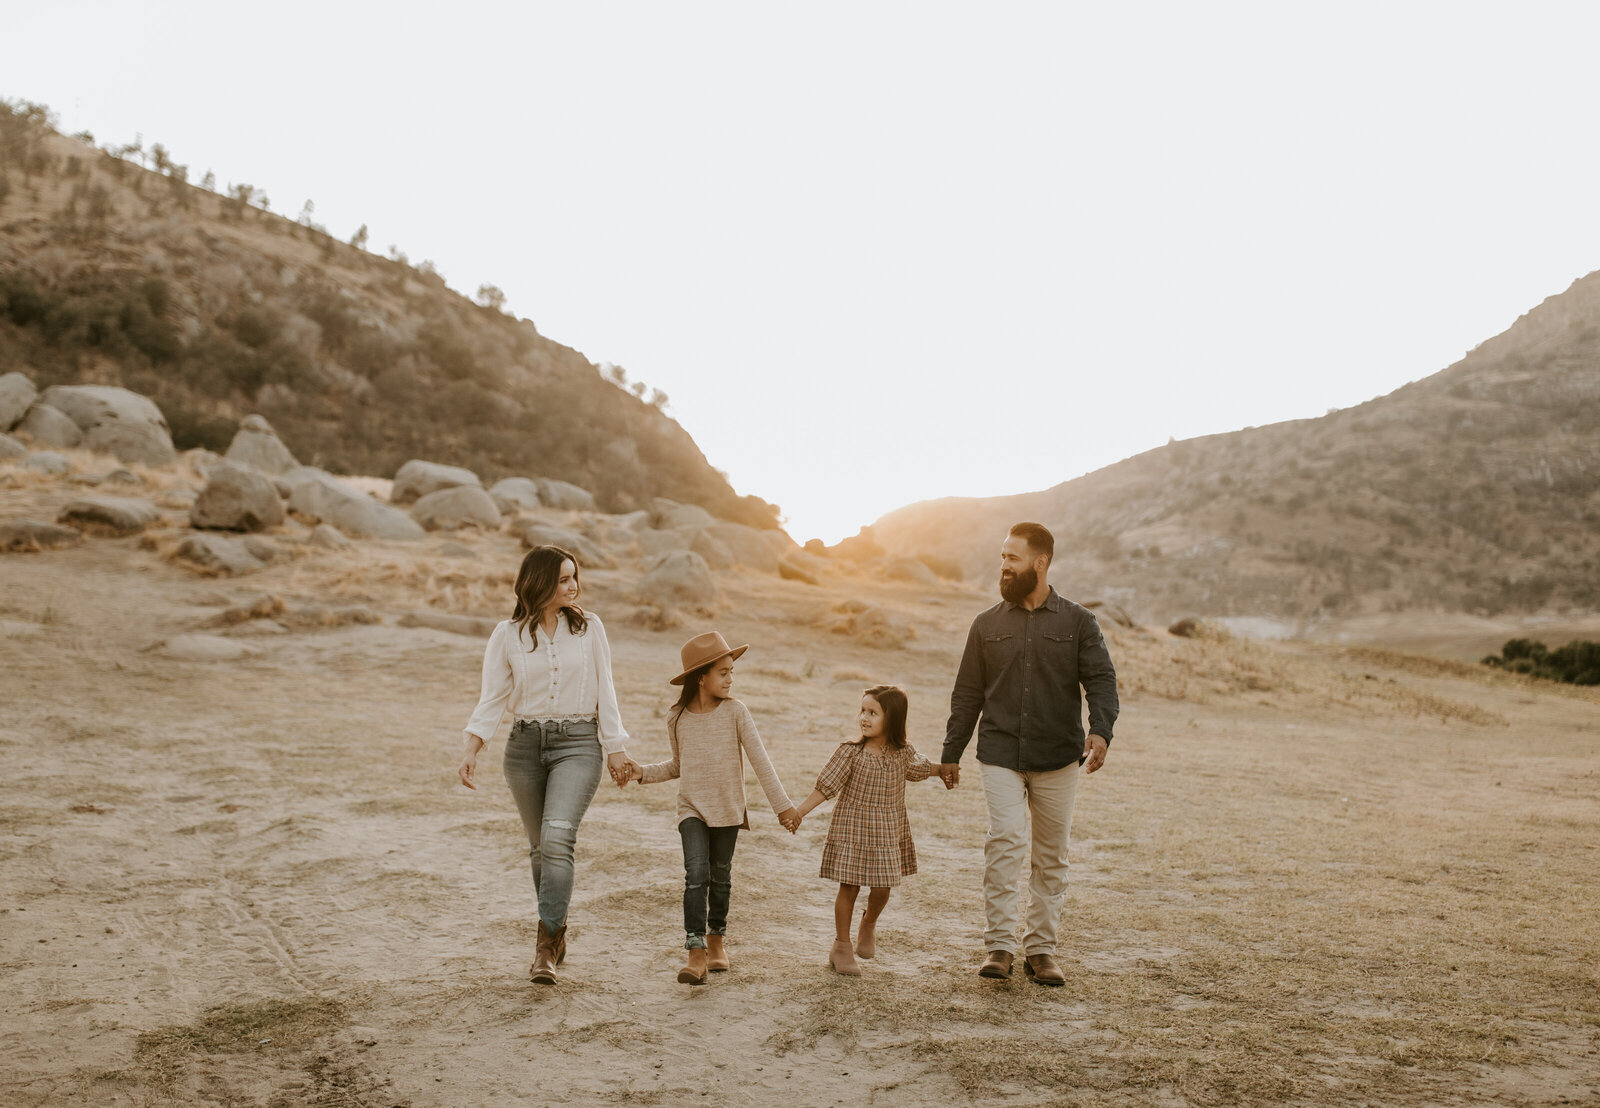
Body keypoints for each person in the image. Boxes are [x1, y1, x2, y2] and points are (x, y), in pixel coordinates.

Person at [937, 522, 1119, 986]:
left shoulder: (1078, 622)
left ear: (1040, 563)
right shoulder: (986, 624)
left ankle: (1041, 950)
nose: (1003, 566)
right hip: (999, 751)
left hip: (1059, 756)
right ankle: (999, 946)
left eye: (1012, 558)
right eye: (1002, 557)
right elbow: (967, 693)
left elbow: (1100, 679)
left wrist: (1101, 730)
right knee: (1006, 840)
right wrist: (951, 751)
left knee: (1052, 855)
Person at [457, 545, 638, 986]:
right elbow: (493, 696)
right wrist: (471, 746)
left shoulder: (590, 628)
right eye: (563, 579)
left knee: (558, 837)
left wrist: (615, 746)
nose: (573, 586)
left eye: (574, 576)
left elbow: (606, 689)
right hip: (523, 748)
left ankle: (545, 944)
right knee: (540, 849)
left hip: (578, 743)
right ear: (538, 582)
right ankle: (556, 934)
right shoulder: (507, 634)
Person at [618, 632, 800, 985]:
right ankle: (695, 951)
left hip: (727, 809)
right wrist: (643, 773)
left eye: (732, 672)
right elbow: (677, 766)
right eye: (723, 672)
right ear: (701, 676)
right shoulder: (677, 718)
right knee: (695, 876)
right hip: (692, 810)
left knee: (720, 879)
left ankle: (717, 939)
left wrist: (783, 808)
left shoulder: (737, 712)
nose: (731, 679)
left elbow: (761, 762)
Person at [792, 685, 941, 976]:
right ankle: (841, 946)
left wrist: (945, 769)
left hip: (887, 829)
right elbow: (826, 787)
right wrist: (799, 812)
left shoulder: (902, 754)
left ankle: (869, 922)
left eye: (873, 712)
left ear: (893, 718)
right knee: (849, 886)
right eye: (863, 710)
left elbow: (922, 770)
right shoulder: (851, 752)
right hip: (853, 828)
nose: (864, 717)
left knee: (883, 887)